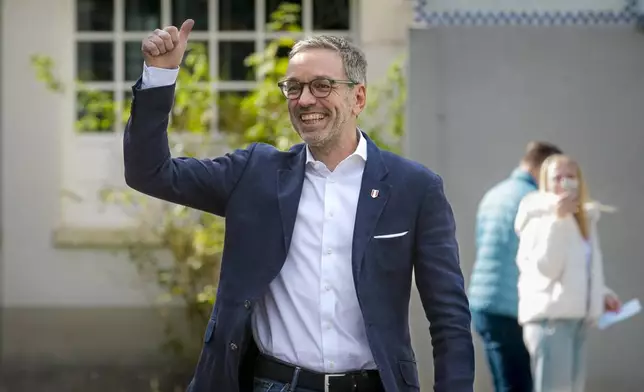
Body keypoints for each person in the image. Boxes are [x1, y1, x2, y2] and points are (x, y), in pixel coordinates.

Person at [124, 19, 474, 392]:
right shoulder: (254, 174)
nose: (305, 100)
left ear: (358, 98)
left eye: (322, 86)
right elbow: (150, 173)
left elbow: (448, 316)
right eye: (294, 87)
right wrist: (160, 76)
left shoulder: (414, 189)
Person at [514, 154, 621, 392]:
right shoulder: (538, 216)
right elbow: (547, 268)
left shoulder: (584, 218)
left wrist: (601, 294)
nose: (563, 183)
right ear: (545, 182)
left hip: (577, 319)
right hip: (550, 320)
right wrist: (557, 221)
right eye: (557, 178)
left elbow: (582, 267)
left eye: (570, 177)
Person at [468, 141, 562, 392]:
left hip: (483, 304)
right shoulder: (533, 201)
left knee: (505, 382)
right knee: (518, 385)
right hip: (511, 307)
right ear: (542, 169)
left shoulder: (494, 194)